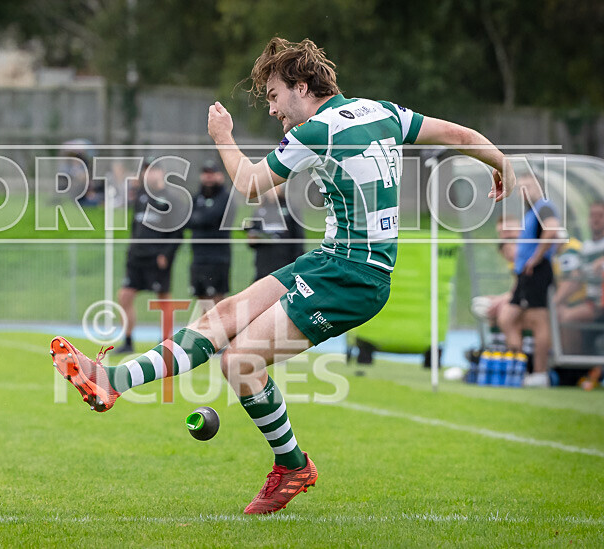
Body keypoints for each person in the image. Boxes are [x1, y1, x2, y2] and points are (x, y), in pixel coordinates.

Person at [50, 37, 515, 514]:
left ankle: (293, 465)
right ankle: (112, 380)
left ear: (301, 86)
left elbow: (250, 184)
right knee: (223, 318)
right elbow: (459, 136)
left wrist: (223, 137)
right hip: (331, 260)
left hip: (353, 278)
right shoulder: (382, 111)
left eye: (273, 96)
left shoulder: (316, 132)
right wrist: (501, 164)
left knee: (239, 362)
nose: (272, 109)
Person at [113, 160, 184, 354]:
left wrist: (166, 254)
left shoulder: (171, 200)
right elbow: (135, 226)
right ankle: (128, 341)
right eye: (146, 171)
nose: (149, 174)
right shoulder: (141, 196)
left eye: (153, 170)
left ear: (161, 173)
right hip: (137, 257)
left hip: (157, 258)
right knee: (125, 296)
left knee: (163, 298)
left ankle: (167, 341)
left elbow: (177, 233)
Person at [498, 175, 562, 387]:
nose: (524, 190)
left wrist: (535, 258)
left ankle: (540, 373)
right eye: (521, 187)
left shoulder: (544, 207)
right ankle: (520, 368)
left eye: (529, 185)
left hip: (537, 270)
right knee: (507, 318)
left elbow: (552, 230)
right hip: (525, 273)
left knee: (538, 320)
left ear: (539, 188)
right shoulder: (531, 212)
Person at [554, 200, 604, 389]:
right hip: (591, 301)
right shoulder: (586, 247)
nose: (596, 220)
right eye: (593, 216)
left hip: (599, 303)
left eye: (601, 216)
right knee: (560, 314)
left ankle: (575, 367)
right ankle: (571, 366)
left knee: (568, 316)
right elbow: (576, 277)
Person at [187, 160, 232, 307]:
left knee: (217, 302)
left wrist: (199, 218)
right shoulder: (196, 197)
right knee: (203, 302)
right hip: (199, 257)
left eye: (212, 173)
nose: (208, 177)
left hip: (218, 258)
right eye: (206, 173)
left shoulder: (225, 198)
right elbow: (187, 221)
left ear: (220, 176)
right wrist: (200, 218)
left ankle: (221, 324)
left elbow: (212, 216)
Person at [245, 184, 305, 281]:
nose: (271, 191)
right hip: (263, 262)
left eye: (274, 187)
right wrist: (252, 239)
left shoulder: (290, 208)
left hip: (284, 261)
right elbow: (253, 234)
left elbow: (298, 236)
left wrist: (297, 260)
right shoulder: (260, 209)